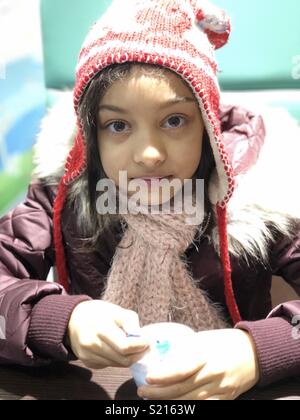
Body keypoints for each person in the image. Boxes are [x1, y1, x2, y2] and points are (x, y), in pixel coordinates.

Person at [0, 0, 300, 400]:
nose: (150, 154)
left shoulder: (259, 198)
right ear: (92, 132)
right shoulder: (62, 195)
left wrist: (258, 351)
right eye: (118, 125)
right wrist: (61, 319)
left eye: (174, 120)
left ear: (207, 124)